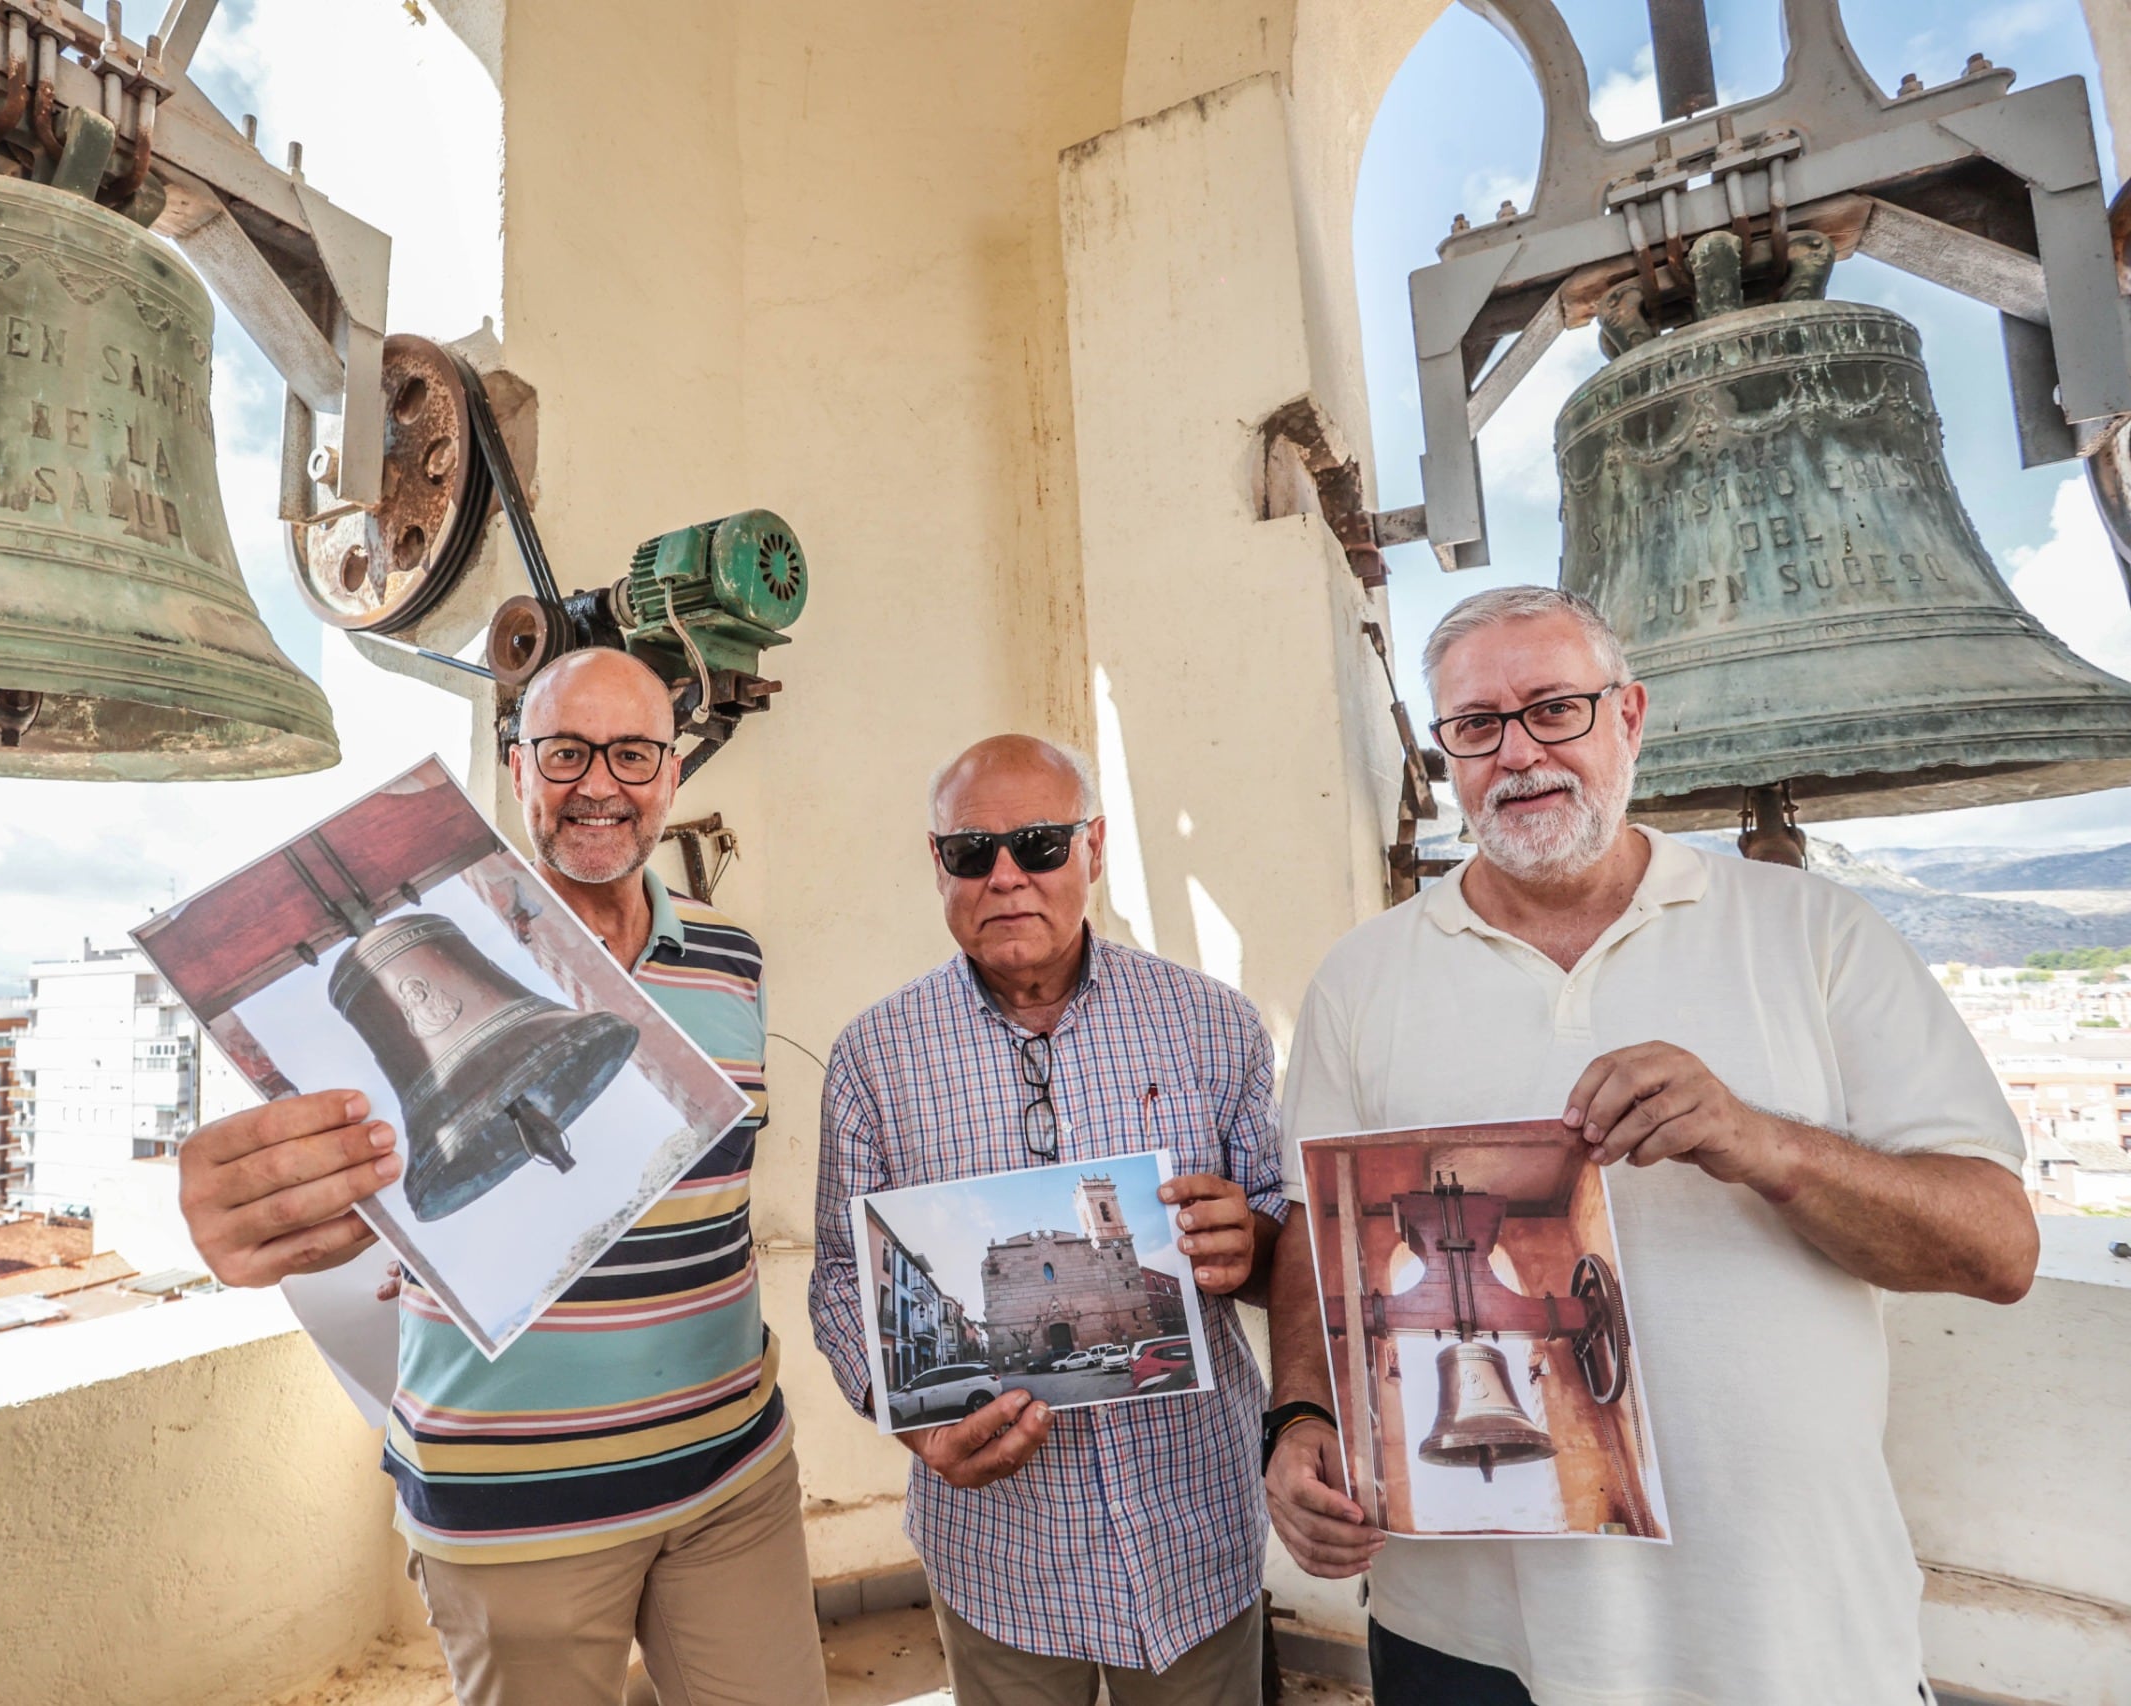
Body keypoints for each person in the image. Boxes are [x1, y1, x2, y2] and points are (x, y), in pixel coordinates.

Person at [1263, 586, 2038, 1706]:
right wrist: (1300, 1419)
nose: (1518, 752)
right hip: (1466, 1631)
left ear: (1627, 715)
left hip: (1777, 1625)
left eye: (1554, 709)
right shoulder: (1363, 976)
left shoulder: (1813, 934)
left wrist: (1763, 1142)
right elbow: (1312, 1231)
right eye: (1476, 725)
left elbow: (1999, 1248)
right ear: (1447, 756)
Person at [176, 648, 826, 1706]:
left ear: (670, 774)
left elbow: (718, 1196)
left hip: (731, 1478)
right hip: (515, 1507)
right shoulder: (425, 955)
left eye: (632, 753)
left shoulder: (732, 959)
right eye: (565, 752)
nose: (600, 785)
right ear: (516, 767)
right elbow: (310, 1159)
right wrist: (251, 1202)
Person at [812, 733, 1286, 1705]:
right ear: (934, 862)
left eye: (1037, 843)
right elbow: (840, 1280)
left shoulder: (1211, 1023)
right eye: (969, 851)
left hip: (1193, 1524)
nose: (1004, 876)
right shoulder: (874, 1058)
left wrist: (1255, 1238)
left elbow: (1285, 1232)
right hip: (1001, 1549)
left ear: (1093, 849)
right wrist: (909, 1419)